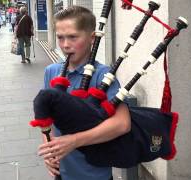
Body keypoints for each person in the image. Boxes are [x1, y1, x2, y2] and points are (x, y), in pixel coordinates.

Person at [37, 6, 131, 180]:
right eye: (60, 37)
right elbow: (45, 117)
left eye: (73, 37)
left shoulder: (103, 75)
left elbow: (122, 123)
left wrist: (73, 141)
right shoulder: (51, 71)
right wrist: (49, 149)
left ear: (92, 39)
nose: (65, 45)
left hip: (94, 172)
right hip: (62, 171)